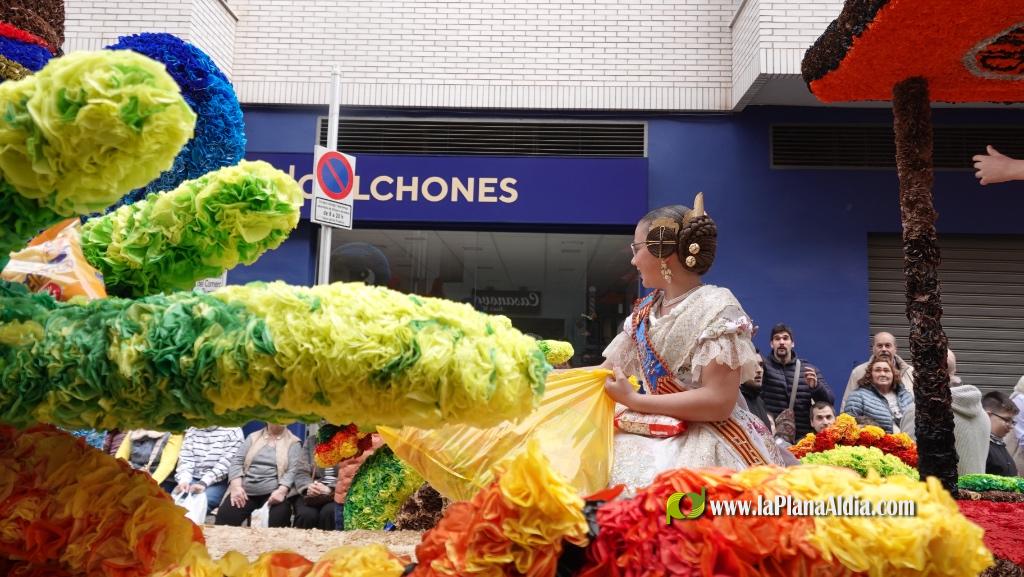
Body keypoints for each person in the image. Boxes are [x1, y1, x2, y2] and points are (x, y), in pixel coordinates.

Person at [601, 195, 785, 492]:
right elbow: (604, 373)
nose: (633, 260)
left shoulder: (718, 307)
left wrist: (635, 401)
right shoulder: (644, 312)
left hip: (707, 441)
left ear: (663, 252)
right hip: (644, 431)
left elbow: (718, 402)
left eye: (637, 248)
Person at [901, 349, 989, 476]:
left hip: (936, 495)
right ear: (953, 370)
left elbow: (908, 467)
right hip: (974, 495)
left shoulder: (919, 412)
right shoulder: (983, 415)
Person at [215, 423, 301, 527]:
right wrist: (236, 487)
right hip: (245, 492)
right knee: (225, 519)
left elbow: (293, 470)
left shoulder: (294, 442)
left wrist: (281, 491)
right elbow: (237, 462)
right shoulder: (253, 437)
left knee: (278, 519)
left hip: (275, 494)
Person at [761, 324, 834, 439]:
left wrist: (816, 387)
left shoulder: (808, 369)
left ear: (792, 343)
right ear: (771, 344)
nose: (781, 342)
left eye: (785, 338)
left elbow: (829, 401)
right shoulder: (762, 366)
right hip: (772, 437)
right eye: (777, 338)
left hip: (802, 437)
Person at [173, 426, 244, 512]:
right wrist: (183, 480)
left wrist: (203, 483)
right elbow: (185, 459)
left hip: (217, 480)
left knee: (197, 506)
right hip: (191, 477)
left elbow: (226, 463)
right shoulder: (193, 429)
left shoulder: (233, 430)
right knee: (172, 504)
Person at [842, 332, 915, 409]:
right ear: (873, 349)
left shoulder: (911, 372)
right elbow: (847, 404)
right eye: (880, 346)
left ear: (895, 349)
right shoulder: (859, 372)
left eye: (887, 345)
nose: (884, 349)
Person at [843, 357, 913, 434]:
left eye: (886, 370)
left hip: (911, 443)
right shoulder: (857, 397)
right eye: (877, 370)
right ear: (870, 375)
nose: (882, 374)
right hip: (876, 444)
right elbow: (848, 425)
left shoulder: (906, 395)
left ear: (893, 374)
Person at [291, 430, 340, 530]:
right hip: (311, 493)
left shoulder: (349, 442)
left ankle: (328, 545)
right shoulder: (311, 440)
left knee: (329, 513)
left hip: (337, 492)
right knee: (306, 515)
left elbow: (350, 473)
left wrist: (330, 489)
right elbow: (301, 471)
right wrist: (308, 487)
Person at [115, 429, 183, 488]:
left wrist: (149, 484)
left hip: (160, 480)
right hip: (131, 474)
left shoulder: (175, 432)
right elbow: (120, 458)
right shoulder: (135, 429)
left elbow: (167, 464)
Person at [983, 391, 1019, 477]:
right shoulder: (980, 446)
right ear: (987, 416)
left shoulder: (998, 444)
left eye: (1012, 422)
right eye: (1006, 420)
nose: (1011, 426)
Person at [740, 352, 773, 431]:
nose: (759, 370)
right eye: (753, 365)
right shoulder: (735, 402)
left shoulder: (760, 402)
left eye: (761, 365)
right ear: (741, 368)